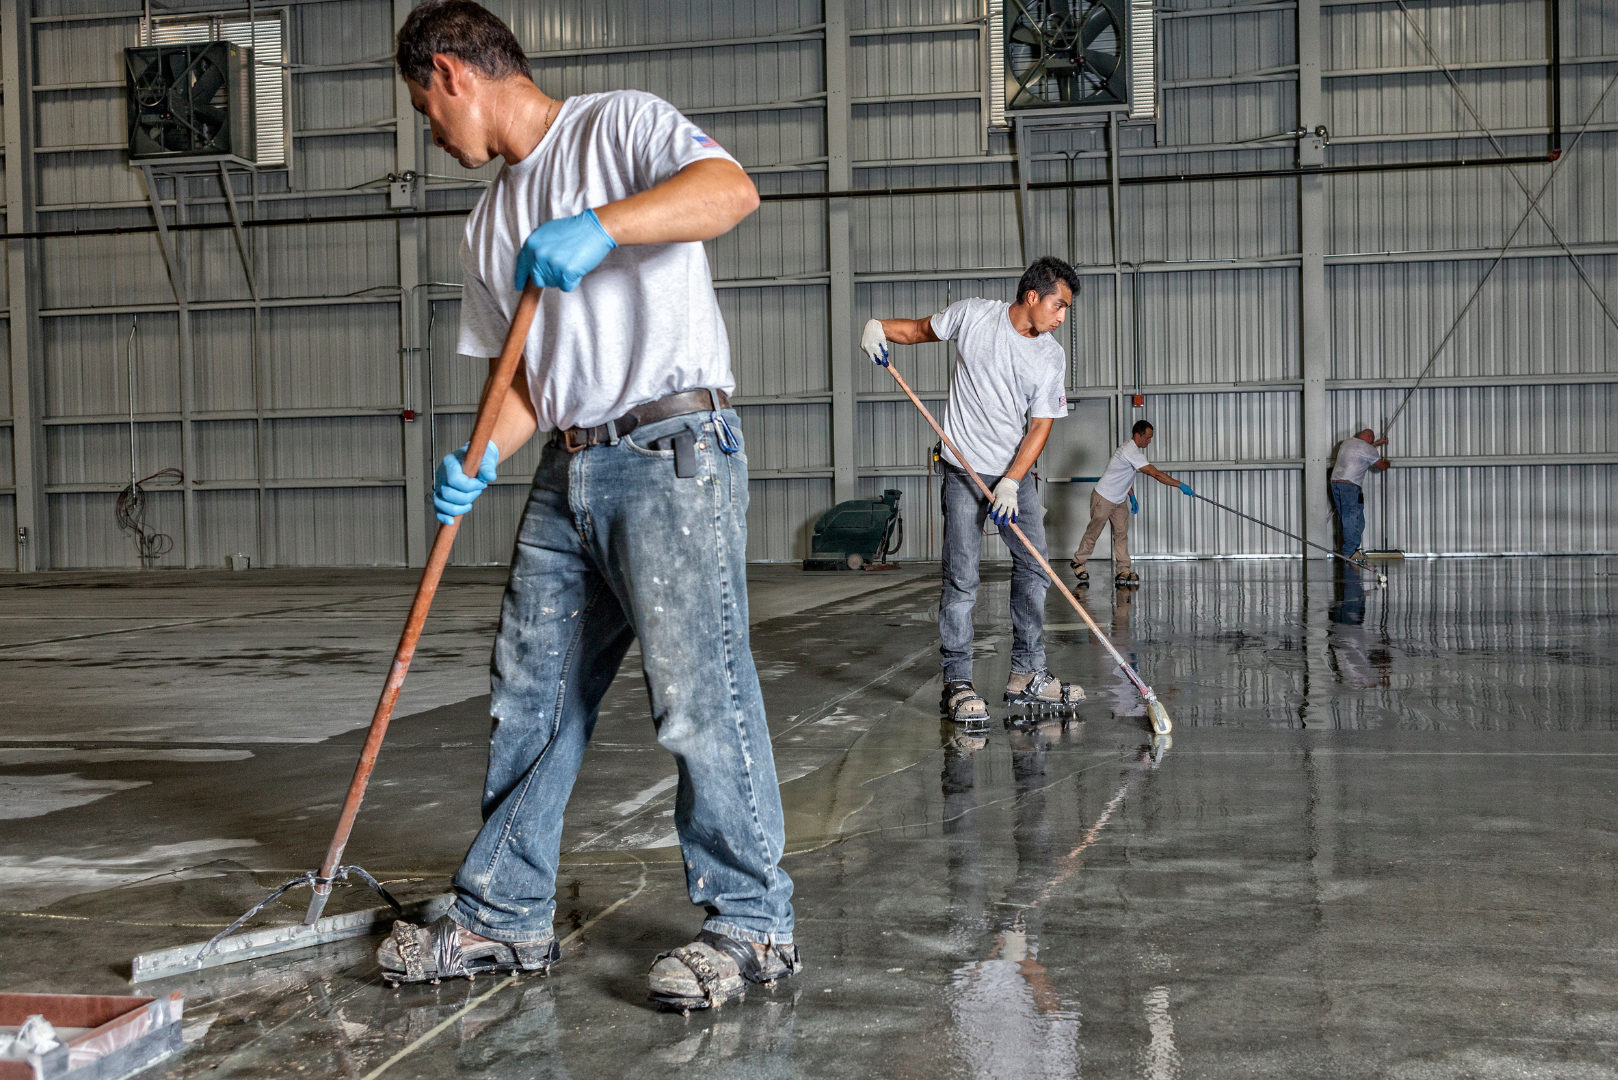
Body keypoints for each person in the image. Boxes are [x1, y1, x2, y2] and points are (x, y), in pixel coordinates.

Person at [375, 0, 796, 1012]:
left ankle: (754, 923)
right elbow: (523, 379)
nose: (431, 135)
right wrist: (476, 461)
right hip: (568, 467)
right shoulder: (489, 223)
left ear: (449, 73)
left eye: (424, 109)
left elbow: (730, 191)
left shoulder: (621, 126)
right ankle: (504, 912)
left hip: (671, 446)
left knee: (700, 693)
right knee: (532, 691)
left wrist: (603, 225)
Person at [859, 258, 1088, 727]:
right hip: (963, 469)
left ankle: (1026, 674)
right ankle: (958, 683)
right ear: (1032, 297)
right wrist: (878, 327)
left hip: (1013, 477)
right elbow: (920, 330)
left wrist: (1011, 481)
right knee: (962, 578)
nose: (1062, 317)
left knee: (1036, 568)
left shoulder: (1050, 355)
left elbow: (1041, 425)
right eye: (1059, 305)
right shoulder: (973, 316)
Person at [1070, 420, 1192, 588]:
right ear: (1138, 435)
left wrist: (1132, 496)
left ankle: (1123, 569)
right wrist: (1179, 485)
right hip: (1104, 497)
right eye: (1147, 438)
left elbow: (1125, 475)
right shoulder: (1130, 450)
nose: (1149, 442)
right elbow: (1155, 474)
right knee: (1094, 531)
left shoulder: (1132, 451)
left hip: (1119, 500)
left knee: (1121, 534)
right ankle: (1078, 562)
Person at [1330, 428, 1391, 564]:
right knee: (1355, 520)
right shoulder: (1368, 450)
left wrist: (1377, 443)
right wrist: (1388, 462)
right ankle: (1351, 552)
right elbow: (1381, 466)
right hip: (1350, 486)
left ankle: (1349, 550)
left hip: (1335, 484)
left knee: (1345, 519)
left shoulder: (1347, 442)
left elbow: (1362, 448)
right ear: (1370, 437)